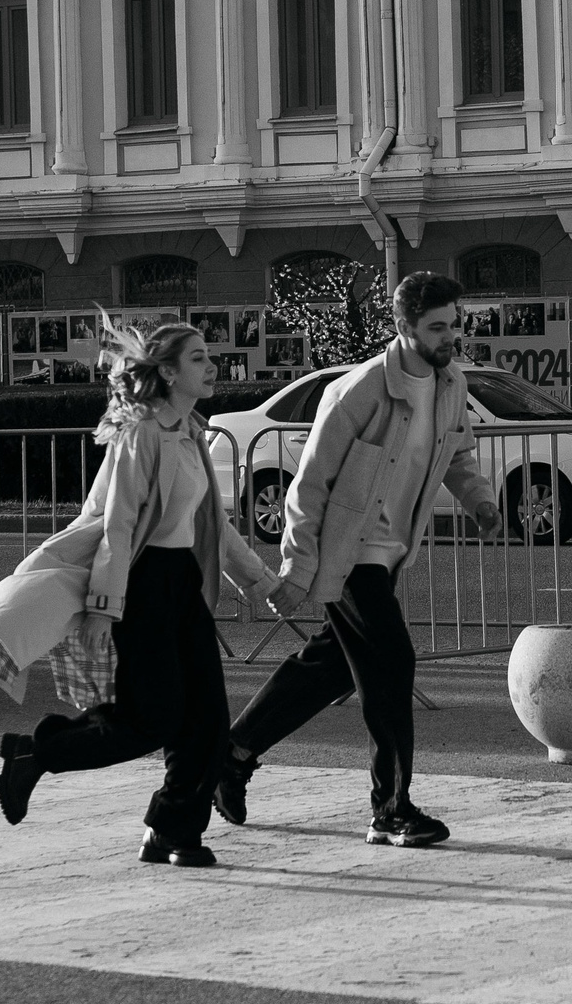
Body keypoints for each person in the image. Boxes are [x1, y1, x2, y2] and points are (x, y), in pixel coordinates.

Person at [216, 272, 505, 849]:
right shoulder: (358, 391)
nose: (452, 337)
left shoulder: (451, 383)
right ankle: (391, 808)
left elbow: (457, 454)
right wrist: (298, 570)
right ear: (403, 328)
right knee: (391, 663)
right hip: (349, 556)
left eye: (456, 324)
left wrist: (480, 501)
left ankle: (233, 752)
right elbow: (309, 485)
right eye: (438, 327)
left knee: (331, 666)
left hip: (390, 552)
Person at [0, 322, 278, 866]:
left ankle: (174, 832)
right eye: (199, 359)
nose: (213, 367)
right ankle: (37, 752)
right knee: (152, 718)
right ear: (167, 371)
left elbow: (211, 521)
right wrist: (103, 606)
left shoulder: (189, 429)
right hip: (141, 583)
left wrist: (257, 578)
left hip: (182, 580)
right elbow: (118, 526)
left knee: (206, 721)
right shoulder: (142, 433)